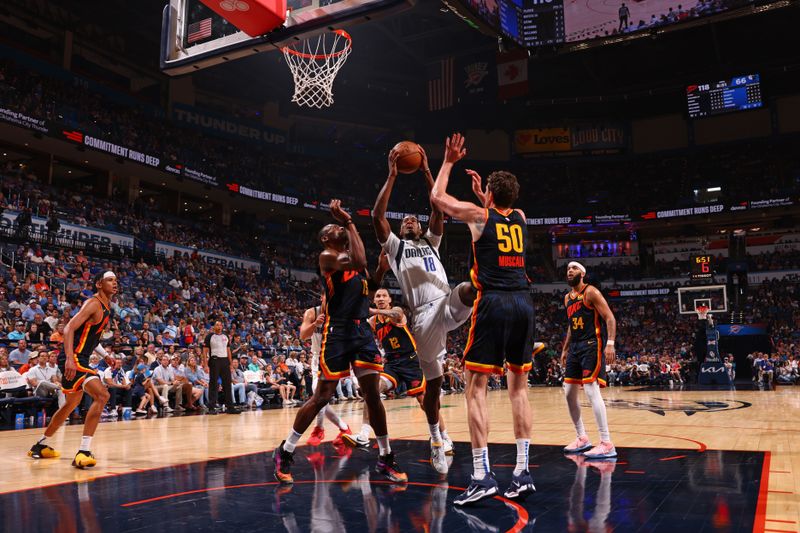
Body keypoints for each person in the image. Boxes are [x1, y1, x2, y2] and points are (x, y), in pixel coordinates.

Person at [430, 133, 536, 504]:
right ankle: (522, 471)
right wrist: (486, 196)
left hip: (493, 303)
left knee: (476, 388)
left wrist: (448, 161)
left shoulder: (479, 215)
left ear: (490, 196)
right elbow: (498, 218)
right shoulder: (521, 217)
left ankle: (481, 474)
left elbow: (438, 199)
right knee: (518, 389)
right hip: (524, 303)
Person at [273, 200, 406, 484]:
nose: (338, 228)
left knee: (373, 394)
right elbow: (359, 260)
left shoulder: (353, 263)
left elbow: (368, 287)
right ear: (326, 238)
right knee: (322, 396)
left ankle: (385, 457)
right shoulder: (328, 258)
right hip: (338, 332)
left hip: (361, 333)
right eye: (332, 227)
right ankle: (285, 451)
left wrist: (381, 270)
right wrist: (348, 221)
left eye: (339, 226)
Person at [372, 143, 471, 472]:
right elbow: (377, 216)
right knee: (434, 385)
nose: (411, 221)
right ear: (401, 232)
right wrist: (391, 175)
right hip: (424, 317)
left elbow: (438, 208)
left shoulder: (432, 240)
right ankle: (435, 439)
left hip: (446, 301)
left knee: (470, 288)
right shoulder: (396, 249)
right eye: (407, 221)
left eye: (415, 219)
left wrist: (429, 169)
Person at [27, 271, 116, 469]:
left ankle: (39, 446)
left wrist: (106, 356)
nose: (115, 283)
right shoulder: (93, 303)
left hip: (80, 357)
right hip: (73, 356)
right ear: (99, 284)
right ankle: (83, 451)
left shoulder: (106, 308)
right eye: (110, 280)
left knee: (69, 405)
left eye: (116, 280)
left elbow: (91, 338)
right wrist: (69, 358)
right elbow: (68, 329)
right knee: (102, 395)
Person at [344, 287, 435, 458]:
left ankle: (441, 437)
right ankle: (363, 435)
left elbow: (394, 314)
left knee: (424, 401)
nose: (380, 298)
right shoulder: (373, 321)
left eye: (384, 296)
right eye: (377, 296)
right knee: (372, 390)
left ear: (389, 299)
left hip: (410, 362)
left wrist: (373, 310)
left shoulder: (397, 312)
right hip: (392, 363)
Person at [561, 261, 618, 460]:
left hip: (592, 344)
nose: (570, 271)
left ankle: (606, 442)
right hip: (575, 347)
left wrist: (610, 343)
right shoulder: (567, 298)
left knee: (591, 389)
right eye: (568, 268)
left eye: (574, 268)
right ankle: (582, 438)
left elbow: (610, 317)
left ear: (582, 274)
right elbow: (570, 325)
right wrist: (565, 348)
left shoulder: (591, 292)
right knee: (568, 392)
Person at [298, 294, 353, 446]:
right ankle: (343, 428)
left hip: (333, 358)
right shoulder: (312, 312)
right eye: (327, 296)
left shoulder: (340, 315)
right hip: (317, 358)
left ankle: (319, 428)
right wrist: (315, 324)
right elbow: (303, 335)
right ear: (322, 297)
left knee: (319, 394)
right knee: (319, 394)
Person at [203, 321, 240, 414]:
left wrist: (231, 364)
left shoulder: (225, 336)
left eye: (220, 324)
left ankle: (230, 407)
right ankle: (211, 407)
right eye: (217, 325)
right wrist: (205, 364)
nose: (218, 326)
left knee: (227, 384)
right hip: (214, 360)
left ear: (222, 326)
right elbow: (204, 352)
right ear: (214, 327)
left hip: (225, 361)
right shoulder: (209, 336)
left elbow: (228, 351)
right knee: (213, 383)